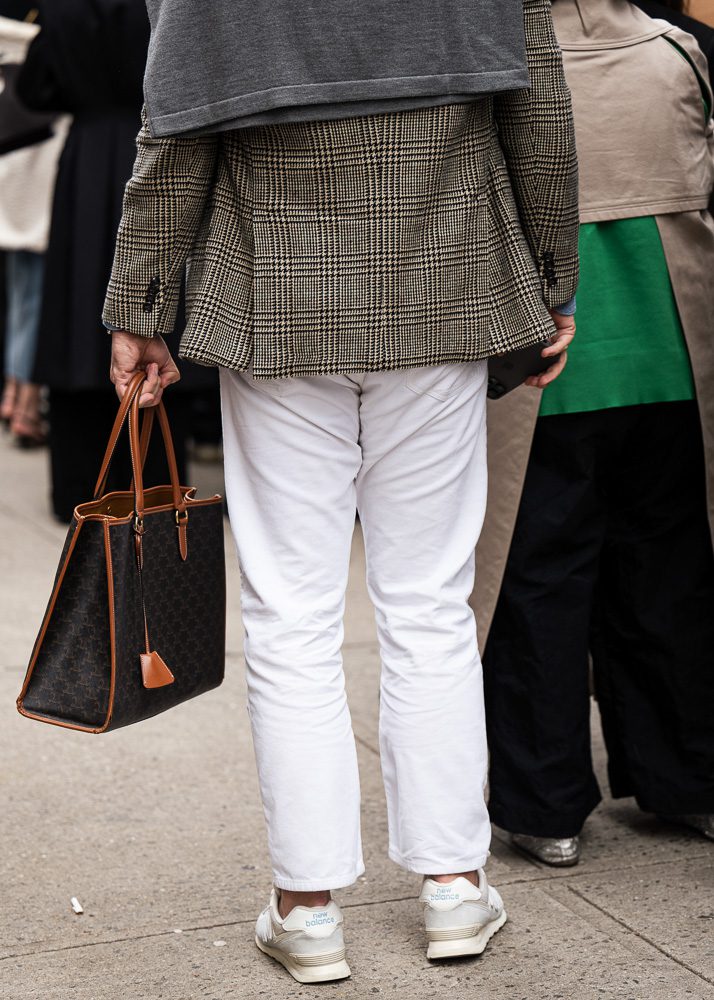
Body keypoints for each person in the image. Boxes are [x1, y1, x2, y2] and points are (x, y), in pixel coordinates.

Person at [103, 0, 579, 983]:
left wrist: (140, 306)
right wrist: (549, 281)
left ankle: (306, 905)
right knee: (429, 600)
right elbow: (536, 111)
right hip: (443, 281)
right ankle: (452, 886)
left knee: (290, 613)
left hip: (275, 291)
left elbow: (177, 131)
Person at [476, 0, 714, 868]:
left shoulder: (502, 61)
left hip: (547, 372)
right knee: (670, 574)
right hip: (671, 353)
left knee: (537, 583)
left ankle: (544, 805)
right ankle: (685, 775)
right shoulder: (674, 54)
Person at [16, 0, 217, 521]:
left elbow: (34, 88)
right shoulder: (163, 7)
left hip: (86, 166)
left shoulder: (61, 10)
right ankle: (153, 489)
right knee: (154, 309)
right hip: (157, 153)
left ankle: (78, 488)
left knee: (77, 307)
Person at [0, 4, 67, 446]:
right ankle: (25, 401)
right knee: (37, 295)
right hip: (44, 166)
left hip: (11, 166)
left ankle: (12, 392)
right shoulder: (51, 20)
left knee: (21, 293)